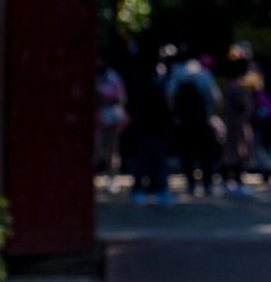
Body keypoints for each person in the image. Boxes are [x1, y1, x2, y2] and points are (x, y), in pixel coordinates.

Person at [172, 58, 223, 196]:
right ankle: (207, 184)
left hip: (183, 124)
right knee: (206, 155)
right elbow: (215, 98)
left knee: (187, 155)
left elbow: (170, 98)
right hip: (202, 122)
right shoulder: (204, 76)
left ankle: (191, 184)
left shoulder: (176, 77)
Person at [130, 59, 174, 204]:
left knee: (154, 161)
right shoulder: (153, 88)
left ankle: (155, 189)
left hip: (152, 130)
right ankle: (149, 189)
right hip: (150, 130)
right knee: (148, 161)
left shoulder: (147, 87)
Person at [221, 51, 254, 195]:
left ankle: (231, 181)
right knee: (236, 153)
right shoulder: (235, 86)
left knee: (233, 153)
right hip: (236, 122)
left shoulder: (228, 85)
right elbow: (243, 105)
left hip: (232, 122)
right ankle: (235, 181)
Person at [95, 57, 129, 191]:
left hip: (111, 117)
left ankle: (113, 177)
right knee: (97, 150)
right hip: (97, 117)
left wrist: (103, 94)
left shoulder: (113, 77)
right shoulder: (95, 75)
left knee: (112, 149)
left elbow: (121, 97)